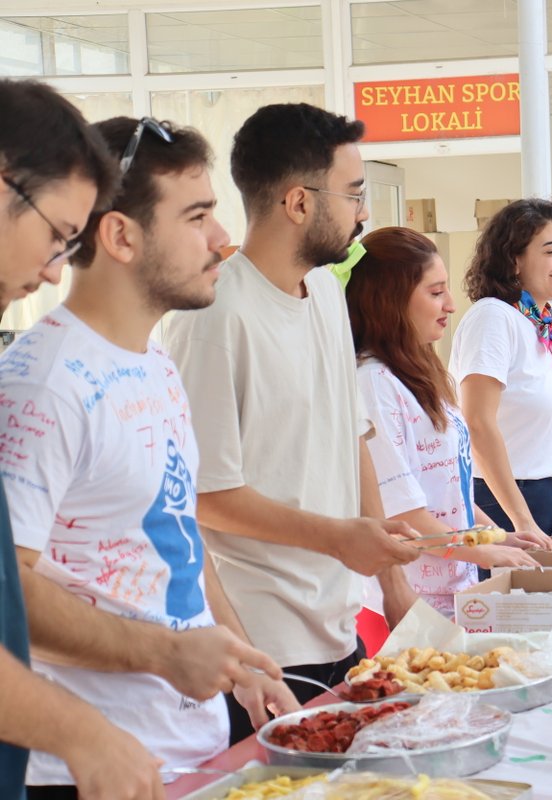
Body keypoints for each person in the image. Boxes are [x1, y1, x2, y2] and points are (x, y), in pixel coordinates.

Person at [4, 116, 300, 797]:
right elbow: (7, 593)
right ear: (121, 236)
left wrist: (238, 654)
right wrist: (168, 655)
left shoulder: (156, 365)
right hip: (81, 772)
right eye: (197, 216)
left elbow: (178, 534)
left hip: (180, 754)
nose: (223, 240)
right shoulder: (43, 382)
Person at [162, 103, 420, 745]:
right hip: (263, 649)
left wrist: (393, 583)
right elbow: (205, 498)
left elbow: (350, 435)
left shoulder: (327, 293)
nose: (364, 212)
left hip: (340, 623)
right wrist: (338, 538)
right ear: (299, 202)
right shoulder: (213, 314)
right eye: (355, 194)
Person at [0, 78, 165, 800]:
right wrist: (83, 733)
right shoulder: (42, 377)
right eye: (56, 236)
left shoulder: (157, 361)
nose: (52, 270)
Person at [345, 226, 552, 615]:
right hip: (404, 602)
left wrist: (499, 537)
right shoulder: (372, 384)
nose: (451, 305)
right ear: (389, 300)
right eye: (436, 292)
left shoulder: (419, 374)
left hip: (453, 592)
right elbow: (403, 515)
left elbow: (449, 492)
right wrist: (484, 551)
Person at [449, 198, 552, 538]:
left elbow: (544, 435)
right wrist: (521, 520)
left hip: (544, 497)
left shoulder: (534, 323)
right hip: (507, 502)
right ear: (514, 260)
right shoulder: (493, 318)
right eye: (551, 250)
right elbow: (477, 423)